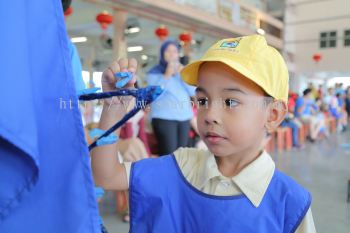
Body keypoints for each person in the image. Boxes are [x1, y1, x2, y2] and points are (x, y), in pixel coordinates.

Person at [91, 35, 316, 232]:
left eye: (230, 101)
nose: (209, 115)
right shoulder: (182, 166)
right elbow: (106, 176)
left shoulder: (291, 204)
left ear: (273, 115)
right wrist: (112, 111)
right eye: (202, 100)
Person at [146, 40, 195, 155]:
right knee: (168, 154)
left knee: (182, 155)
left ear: (178, 54)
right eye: (168, 51)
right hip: (163, 118)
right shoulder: (154, 73)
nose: (172, 54)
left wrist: (184, 74)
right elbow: (153, 95)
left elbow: (193, 91)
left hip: (184, 118)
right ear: (162, 54)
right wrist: (167, 75)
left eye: (175, 51)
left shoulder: (182, 71)